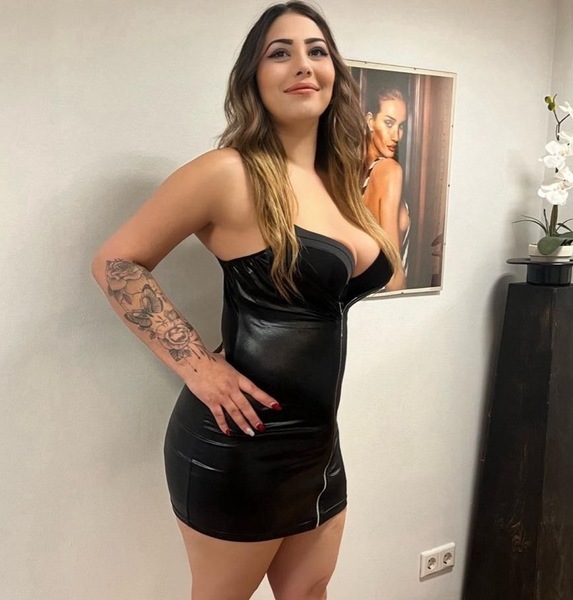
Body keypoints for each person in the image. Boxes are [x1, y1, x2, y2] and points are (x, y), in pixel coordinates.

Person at [91, 2, 398, 599]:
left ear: (335, 72)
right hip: (240, 443)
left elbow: (373, 278)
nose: (302, 64)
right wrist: (199, 369)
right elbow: (116, 262)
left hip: (319, 445)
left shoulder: (339, 184)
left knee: (310, 592)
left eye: (316, 50)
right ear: (253, 78)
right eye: (280, 53)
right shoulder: (229, 173)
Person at [362, 87, 410, 291]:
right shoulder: (390, 170)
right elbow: (393, 272)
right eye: (389, 123)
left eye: (401, 126)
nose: (396, 136)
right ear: (370, 121)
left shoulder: (356, 175)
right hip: (387, 296)